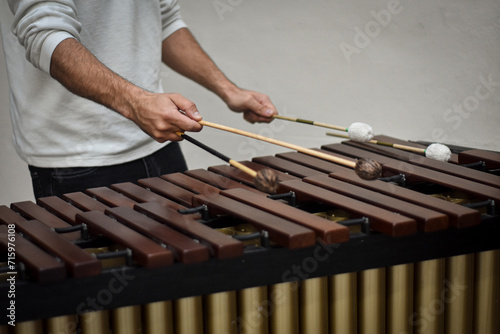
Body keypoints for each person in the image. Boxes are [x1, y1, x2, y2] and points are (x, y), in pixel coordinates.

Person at [0, 0, 278, 199]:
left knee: (187, 272)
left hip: (159, 143)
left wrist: (229, 90)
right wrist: (137, 103)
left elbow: (164, 21)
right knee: (97, 277)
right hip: (77, 157)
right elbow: (44, 34)